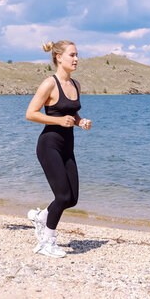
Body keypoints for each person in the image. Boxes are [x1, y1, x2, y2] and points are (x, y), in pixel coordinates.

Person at [26, 40, 92, 258]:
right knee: (62, 196)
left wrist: (79, 122)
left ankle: (41, 216)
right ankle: (47, 242)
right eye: (72, 55)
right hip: (49, 145)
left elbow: (71, 115)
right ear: (59, 58)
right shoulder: (49, 84)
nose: (76, 59)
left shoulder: (76, 85)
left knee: (72, 198)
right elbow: (31, 113)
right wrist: (58, 121)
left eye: (77, 54)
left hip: (67, 147)